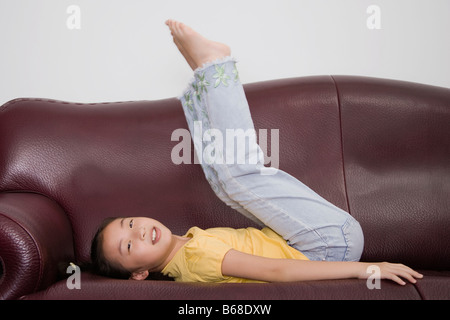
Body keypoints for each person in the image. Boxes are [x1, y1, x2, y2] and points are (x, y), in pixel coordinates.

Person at [90, 20, 423, 285]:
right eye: (129, 246)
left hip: (316, 243)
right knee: (236, 178)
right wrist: (363, 270)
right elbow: (276, 272)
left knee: (223, 182)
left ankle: (206, 78)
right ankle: (213, 67)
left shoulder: (186, 250)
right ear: (139, 275)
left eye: (129, 223)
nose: (137, 231)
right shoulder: (196, 258)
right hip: (328, 245)